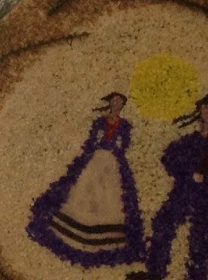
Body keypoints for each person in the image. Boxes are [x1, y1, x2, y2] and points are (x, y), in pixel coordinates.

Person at [127, 91, 208, 280]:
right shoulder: (190, 141)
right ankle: (156, 269)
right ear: (201, 111)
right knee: (164, 222)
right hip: (183, 192)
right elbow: (168, 158)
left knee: (201, 235)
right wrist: (189, 172)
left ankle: (196, 279)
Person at [27, 92, 144, 265]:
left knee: (110, 195)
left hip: (113, 161)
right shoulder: (100, 121)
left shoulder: (125, 125)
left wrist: (116, 147)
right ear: (110, 102)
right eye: (115, 101)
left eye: (120, 102)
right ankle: (71, 228)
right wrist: (98, 145)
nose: (116, 104)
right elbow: (92, 139)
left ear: (122, 106)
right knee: (83, 188)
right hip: (96, 158)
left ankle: (105, 237)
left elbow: (124, 144)